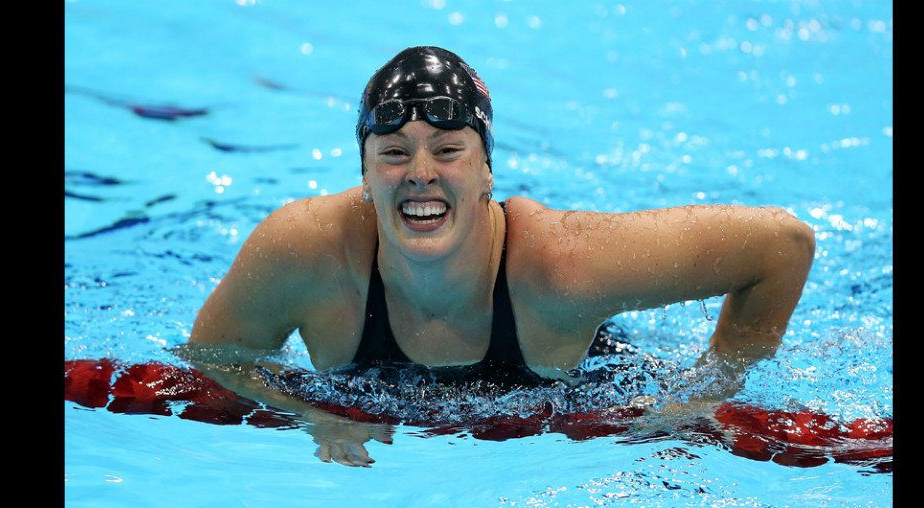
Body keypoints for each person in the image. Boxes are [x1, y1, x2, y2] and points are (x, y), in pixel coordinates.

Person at [184, 46, 815, 466]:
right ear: (366, 173)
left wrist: (706, 393)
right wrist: (309, 417)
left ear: (488, 170)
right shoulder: (307, 252)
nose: (420, 174)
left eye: (448, 150)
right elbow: (211, 361)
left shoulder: (562, 269)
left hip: (588, 389)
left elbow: (781, 244)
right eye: (395, 152)